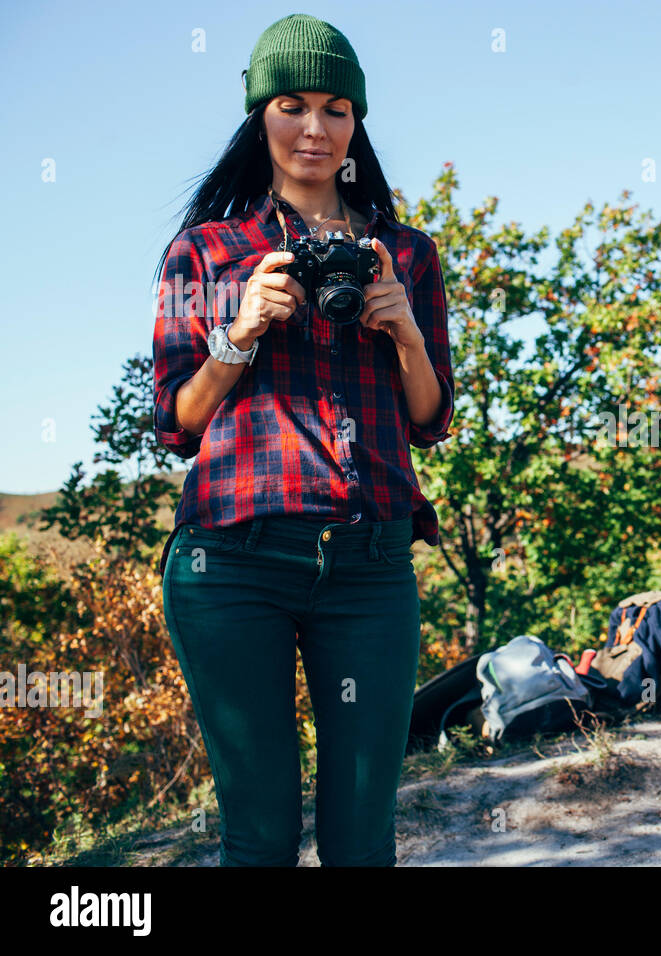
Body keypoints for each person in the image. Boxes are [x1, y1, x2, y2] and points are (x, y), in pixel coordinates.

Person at [151, 15, 456, 864]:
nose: (315, 129)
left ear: (357, 124)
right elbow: (176, 422)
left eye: (336, 109)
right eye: (291, 105)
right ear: (261, 117)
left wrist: (406, 335)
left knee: (363, 837)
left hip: (369, 566)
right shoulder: (207, 253)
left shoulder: (404, 254)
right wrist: (239, 331)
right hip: (230, 566)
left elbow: (431, 419)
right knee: (260, 836)